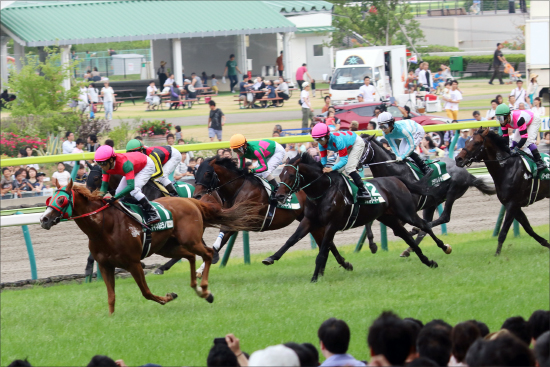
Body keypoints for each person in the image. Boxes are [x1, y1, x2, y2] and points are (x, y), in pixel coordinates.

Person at [94, 145, 160, 224]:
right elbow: (104, 186)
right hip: (135, 166)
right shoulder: (105, 167)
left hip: (146, 165)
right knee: (118, 192)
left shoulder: (125, 164)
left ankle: (153, 213)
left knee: (134, 190)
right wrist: (98, 200)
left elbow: (130, 186)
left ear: (111, 160)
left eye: (103, 163)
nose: (101, 166)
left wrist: (114, 198)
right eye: (99, 163)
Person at [311, 123, 370, 200]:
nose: (320, 142)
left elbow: (344, 161)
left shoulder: (338, 140)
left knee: (349, 168)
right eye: (316, 139)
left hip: (356, 143)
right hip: (346, 145)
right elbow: (323, 161)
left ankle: (365, 191)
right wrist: (321, 169)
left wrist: (331, 168)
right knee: (338, 170)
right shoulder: (321, 144)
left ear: (327, 136)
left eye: (321, 139)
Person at [229, 134, 286, 203]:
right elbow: (241, 168)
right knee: (256, 174)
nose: (237, 152)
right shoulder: (241, 152)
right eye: (234, 150)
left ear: (244, 146)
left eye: (238, 149)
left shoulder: (256, 150)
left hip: (277, 151)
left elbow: (264, 167)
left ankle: (278, 191)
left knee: (265, 172)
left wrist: (250, 170)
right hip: (265, 152)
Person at [378, 111, 434, 176]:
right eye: (381, 127)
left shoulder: (402, 130)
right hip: (407, 134)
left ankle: (425, 167)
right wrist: (398, 156)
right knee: (401, 153)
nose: (383, 129)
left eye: (385, 126)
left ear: (391, 123)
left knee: (406, 152)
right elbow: (393, 146)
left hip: (416, 131)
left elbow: (411, 146)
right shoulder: (385, 134)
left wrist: (402, 157)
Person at [495, 104, 546, 171]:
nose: (500, 121)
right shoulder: (503, 122)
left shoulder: (519, 119)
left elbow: (524, 137)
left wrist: (516, 149)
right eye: (498, 118)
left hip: (534, 120)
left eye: (501, 118)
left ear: (508, 116)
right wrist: (507, 150)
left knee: (528, 141)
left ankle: (540, 162)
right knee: (514, 141)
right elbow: (505, 136)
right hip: (525, 121)